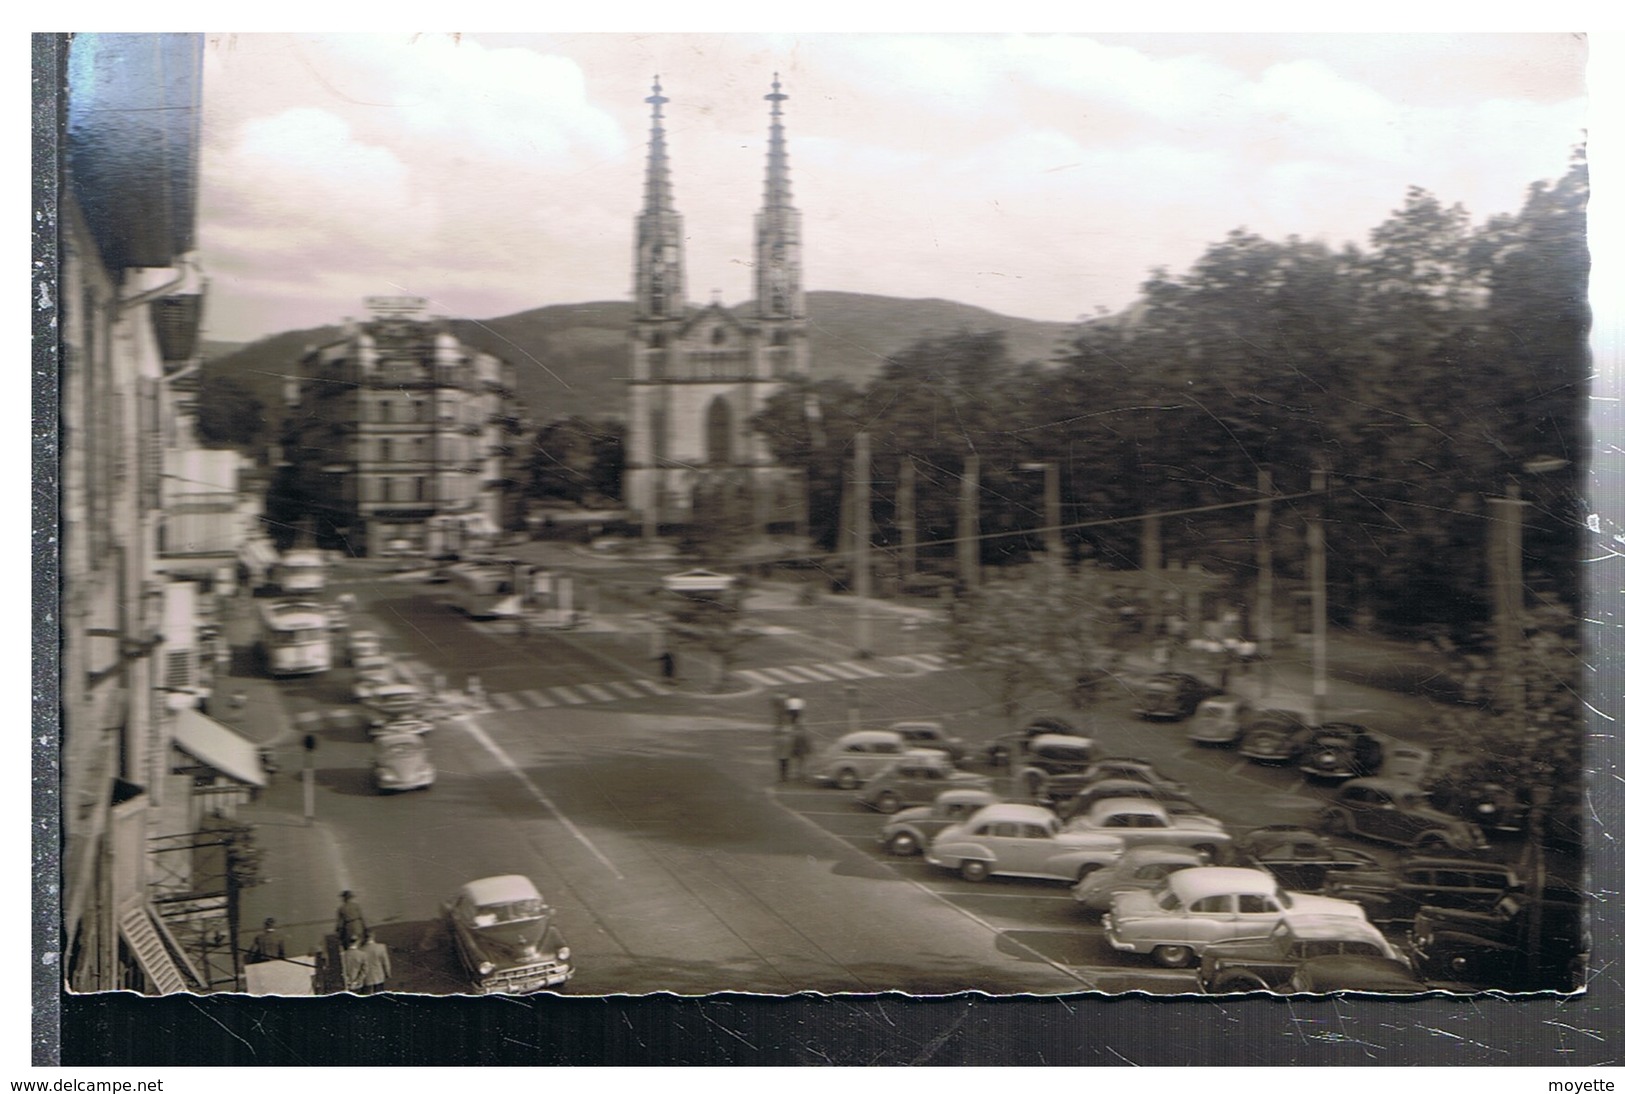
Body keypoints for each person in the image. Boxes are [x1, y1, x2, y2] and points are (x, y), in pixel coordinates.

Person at [357, 929, 391, 995]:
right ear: (373, 936)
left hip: (366, 978)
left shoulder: (361, 949)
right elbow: (385, 962)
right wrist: (387, 973)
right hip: (379, 976)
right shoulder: (381, 947)